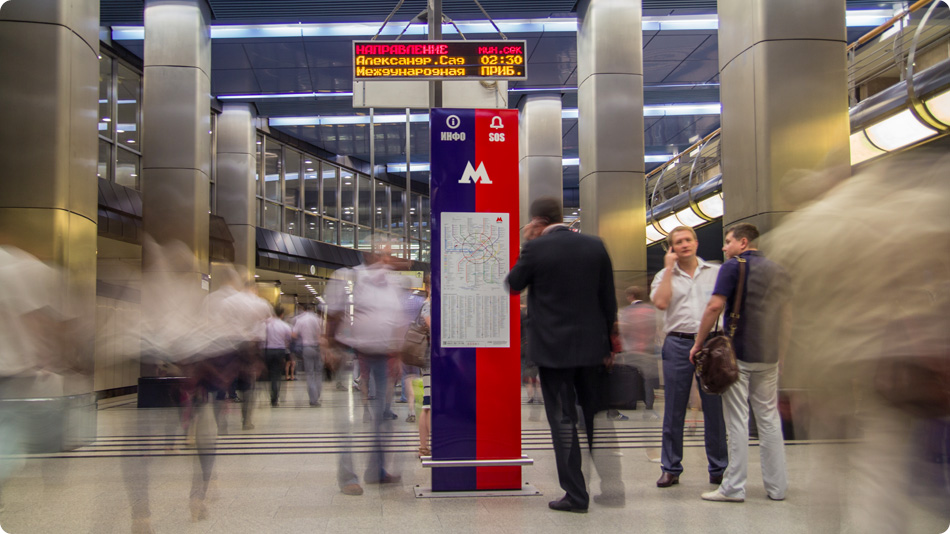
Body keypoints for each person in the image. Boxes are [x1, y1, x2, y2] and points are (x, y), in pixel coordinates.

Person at [505, 196, 620, 513]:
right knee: (593, 416)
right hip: (592, 348)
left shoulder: (536, 248)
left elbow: (513, 284)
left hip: (553, 352)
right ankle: (613, 487)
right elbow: (608, 299)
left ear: (537, 221)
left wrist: (527, 245)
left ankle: (576, 494)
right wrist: (609, 346)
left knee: (563, 421)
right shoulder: (595, 246)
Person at [689, 223, 789, 503]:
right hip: (768, 354)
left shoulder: (732, 267)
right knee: (769, 419)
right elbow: (786, 316)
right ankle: (777, 487)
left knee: (737, 420)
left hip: (738, 354)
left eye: (728, 241)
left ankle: (733, 487)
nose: (724, 247)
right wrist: (782, 353)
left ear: (743, 242)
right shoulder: (778, 270)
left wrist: (698, 343)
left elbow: (714, 306)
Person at [650, 225, 727, 488]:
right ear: (671, 248)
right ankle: (671, 467)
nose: (684, 244)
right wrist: (668, 269)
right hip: (678, 343)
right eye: (678, 242)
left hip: (711, 343)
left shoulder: (715, 272)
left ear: (696, 242)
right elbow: (661, 303)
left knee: (714, 408)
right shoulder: (664, 275)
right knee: (674, 408)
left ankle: (718, 467)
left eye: (687, 240)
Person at [618, 286, 660, 420]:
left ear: (631, 296)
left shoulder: (627, 311)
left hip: (632, 349)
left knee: (630, 378)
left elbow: (624, 330)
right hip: (648, 349)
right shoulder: (650, 310)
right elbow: (654, 328)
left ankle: (629, 402)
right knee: (648, 381)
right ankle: (649, 408)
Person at [292, 303, 325, 407]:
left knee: (310, 374)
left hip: (307, 348)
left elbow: (294, 334)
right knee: (318, 373)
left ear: (304, 309)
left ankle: (313, 399)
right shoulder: (318, 319)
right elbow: (320, 334)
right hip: (317, 348)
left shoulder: (300, 320)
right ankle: (317, 394)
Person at [263, 305, 292, 406]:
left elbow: (261, 337)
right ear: (282, 314)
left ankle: (270, 393)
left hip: (268, 350)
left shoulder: (266, 324)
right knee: (277, 374)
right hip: (280, 350)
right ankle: (274, 398)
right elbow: (289, 339)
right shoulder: (284, 325)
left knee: (270, 373)